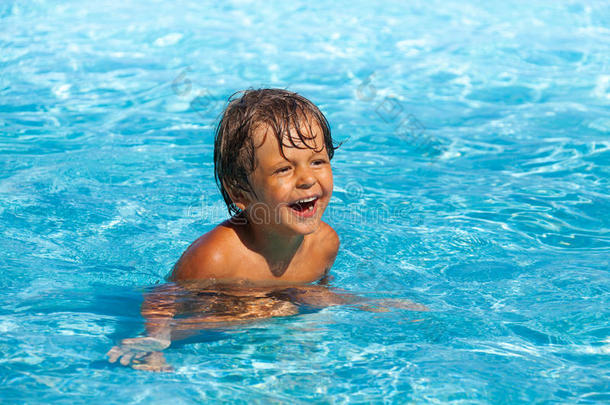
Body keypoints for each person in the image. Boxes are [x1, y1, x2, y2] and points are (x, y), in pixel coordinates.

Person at [107, 89, 426, 371]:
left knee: (297, 301)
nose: (306, 179)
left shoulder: (326, 243)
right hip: (211, 321)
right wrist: (156, 340)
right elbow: (162, 298)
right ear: (240, 194)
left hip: (275, 312)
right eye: (284, 169)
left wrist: (358, 302)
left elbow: (317, 290)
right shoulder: (217, 256)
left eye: (317, 162)